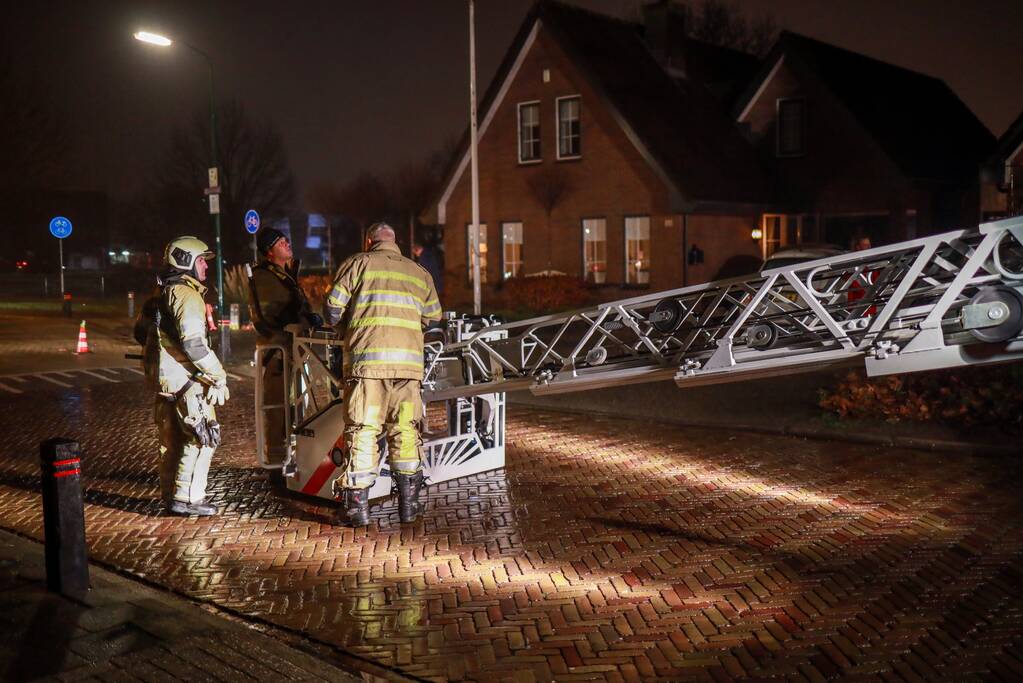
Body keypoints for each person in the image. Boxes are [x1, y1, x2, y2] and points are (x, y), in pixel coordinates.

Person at [323, 222, 442, 526]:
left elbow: (332, 310)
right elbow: (433, 316)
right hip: (408, 370)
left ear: (369, 240)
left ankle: (356, 510)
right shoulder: (419, 273)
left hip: (368, 368)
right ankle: (409, 506)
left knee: (363, 431)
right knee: (404, 430)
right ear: (395, 241)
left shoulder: (358, 263)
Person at [135, 236, 229, 516]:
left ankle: (171, 495)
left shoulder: (160, 293)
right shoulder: (186, 294)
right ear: (186, 260)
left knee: (172, 442)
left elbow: (140, 334)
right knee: (202, 438)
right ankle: (188, 498)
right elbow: (194, 344)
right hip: (187, 381)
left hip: (165, 381)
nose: (206, 266)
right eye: (201, 260)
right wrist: (218, 375)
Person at [247, 228, 321, 466]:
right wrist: (303, 317)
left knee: (297, 403)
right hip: (277, 352)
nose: (287, 243)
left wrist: (309, 317)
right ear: (269, 251)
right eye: (281, 242)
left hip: (294, 350)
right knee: (278, 406)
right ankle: (277, 461)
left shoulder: (285, 274)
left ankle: (295, 453)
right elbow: (272, 313)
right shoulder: (264, 276)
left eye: (286, 239)